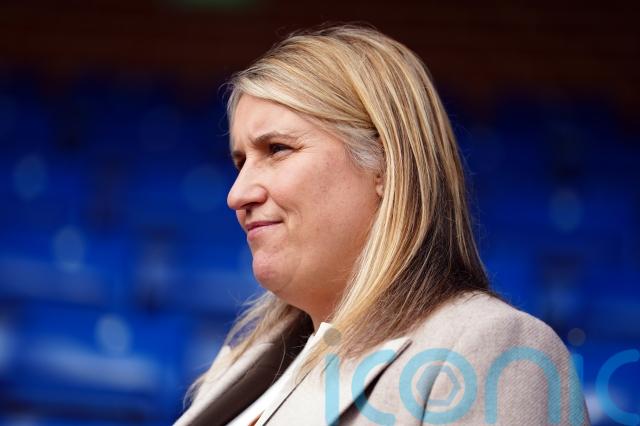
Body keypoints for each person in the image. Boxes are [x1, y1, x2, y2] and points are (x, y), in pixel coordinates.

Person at [174, 24, 589, 425]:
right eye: (240, 162)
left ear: (386, 166)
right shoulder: (246, 364)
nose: (237, 194)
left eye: (277, 149)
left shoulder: (497, 349)